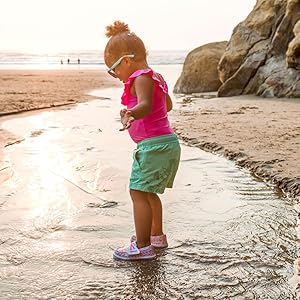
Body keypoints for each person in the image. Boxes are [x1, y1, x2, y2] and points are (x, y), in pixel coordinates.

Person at [104, 20, 181, 261]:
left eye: (113, 68)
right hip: (165, 143)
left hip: (153, 146)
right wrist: (131, 112)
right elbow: (166, 105)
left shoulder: (140, 78)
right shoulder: (154, 77)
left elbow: (146, 106)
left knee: (137, 191)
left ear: (126, 60)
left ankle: (142, 246)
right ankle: (156, 236)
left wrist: (133, 112)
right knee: (149, 194)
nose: (115, 75)